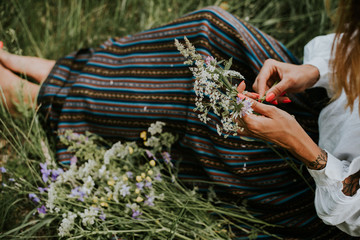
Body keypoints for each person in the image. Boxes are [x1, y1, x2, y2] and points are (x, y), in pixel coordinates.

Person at [0, 1, 358, 238]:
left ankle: (34, 100)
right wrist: (314, 72)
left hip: (319, 189)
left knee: (198, 105)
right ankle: (61, 76)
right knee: (210, 28)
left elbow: (349, 216)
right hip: (322, 102)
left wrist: (302, 147)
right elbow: (351, 44)